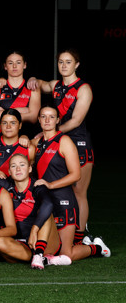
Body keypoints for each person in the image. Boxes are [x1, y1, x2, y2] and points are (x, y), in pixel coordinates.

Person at [28, 49, 94, 244]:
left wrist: (50, 134)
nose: (64, 66)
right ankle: (64, 232)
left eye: (68, 62)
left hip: (79, 142)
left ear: (77, 65)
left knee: (78, 192)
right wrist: (32, 79)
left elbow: (76, 120)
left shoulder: (83, 88)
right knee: (61, 189)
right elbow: (41, 84)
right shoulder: (56, 85)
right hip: (58, 141)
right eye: (61, 62)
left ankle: (81, 236)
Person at [31, 105, 109, 264]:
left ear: (58, 120)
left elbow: (76, 175)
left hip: (64, 201)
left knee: (67, 254)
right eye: (43, 116)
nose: (47, 120)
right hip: (44, 202)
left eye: (52, 117)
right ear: (38, 119)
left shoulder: (64, 141)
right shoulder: (37, 142)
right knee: (48, 250)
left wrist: (51, 185)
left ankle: (97, 248)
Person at [0, 154, 62, 269]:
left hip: (43, 241)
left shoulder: (37, 186)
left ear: (29, 169)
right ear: (9, 171)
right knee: (0, 243)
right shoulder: (7, 186)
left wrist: (34, 230)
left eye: (22, 165)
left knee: (45, 211)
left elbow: (48, 204)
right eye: (13, 166)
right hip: (23, 244)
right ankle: (44, 260)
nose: (18, 169)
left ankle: (39, 254)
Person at [0, 51, 40, 137]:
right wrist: (24, 110)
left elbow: (33, 118)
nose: (14, 66)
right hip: (1, 138)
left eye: (18, 62)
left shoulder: (32, 88)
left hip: (26, 137)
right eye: (10, 63)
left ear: (25, 65)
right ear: (5, 66)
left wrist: (4, 112)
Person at [0, 108, 34, 178]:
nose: (8, 126)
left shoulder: (29, 148)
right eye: (4, 123)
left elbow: (32, 175)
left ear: (20, 125)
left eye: (13, 123)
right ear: (0, 125)